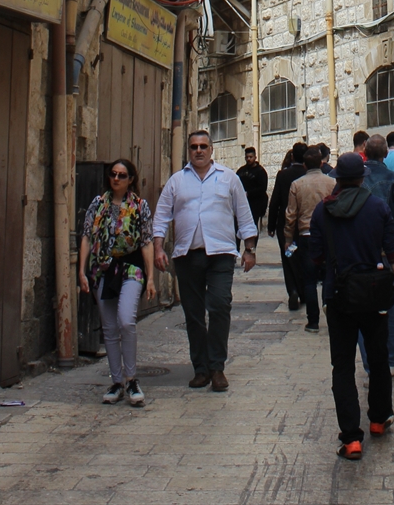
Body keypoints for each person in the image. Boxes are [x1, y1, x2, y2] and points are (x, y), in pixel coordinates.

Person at [309, 153, 394, 459]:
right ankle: (379, 419)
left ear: (338, 179)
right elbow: (393, 252)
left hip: (337, 294)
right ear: (362, 178)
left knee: (342, 365)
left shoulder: (322, 210)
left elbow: (316, 256)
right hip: (373, 293)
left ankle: (351, 438)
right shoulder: (378, 207)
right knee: (378, 358)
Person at [152, 129, 257, 391]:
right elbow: (162, 215)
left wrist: (249, 248)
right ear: (189, 151)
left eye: (203, 146)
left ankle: (217, 367)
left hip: (221, 255)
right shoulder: (177, 181)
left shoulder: (228, 178)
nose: (198, 151)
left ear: (211, 150)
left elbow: (244, 213)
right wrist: (158, 248)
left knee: (220, 305)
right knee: (194, 314)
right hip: (187, 256)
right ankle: (201, 369)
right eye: (194, 147)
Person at [79, 158, 156, 407]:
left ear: (130, 179)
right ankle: (116, 382)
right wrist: (81, 271)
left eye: (122, 175)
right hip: (103, 268)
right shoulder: (98, 204)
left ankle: (131, 379)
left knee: (126, 320)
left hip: (130, 267)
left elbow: (146, 241)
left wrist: (151, 277)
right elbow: (87, 236)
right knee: (109, 327)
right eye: (113, 174)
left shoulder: (139, 206)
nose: (116, 179)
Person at [360, 134, 394, 376]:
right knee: (392, 304)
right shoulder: (393, 179)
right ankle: (392, 359)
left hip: (360, 253)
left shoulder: (356, 180)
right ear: (385, 154)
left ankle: (370, 364)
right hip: (387, 251)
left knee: (363, 308)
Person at [283, 146, 329, 331]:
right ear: (321, 163)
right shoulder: (332, 183)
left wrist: (288, 238)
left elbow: (291, 215)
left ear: (304, 165)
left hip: (306, 235)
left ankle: (313, 321)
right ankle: (328, 307)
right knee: (329, 276)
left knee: (309, 280)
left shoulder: (297, 185)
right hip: (327, 235)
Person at [267, 141, 308, 308]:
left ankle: (293, 290)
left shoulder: (283, 175)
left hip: (285, 225)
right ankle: (304, 291)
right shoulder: (308, 175)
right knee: (304, 258)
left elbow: (275, 202)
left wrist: (271, 225)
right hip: (305, 224)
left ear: (292, 156)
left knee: (288, 257)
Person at [237, 146, 269, 227]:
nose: (248, 159)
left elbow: (262, 188)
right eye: (247, 157)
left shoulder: (260, 172)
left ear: (255, 157)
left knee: (252, 226)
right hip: (242, 204)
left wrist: (249, 193)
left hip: (255, 205)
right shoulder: (241, 171)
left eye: (250, 157)